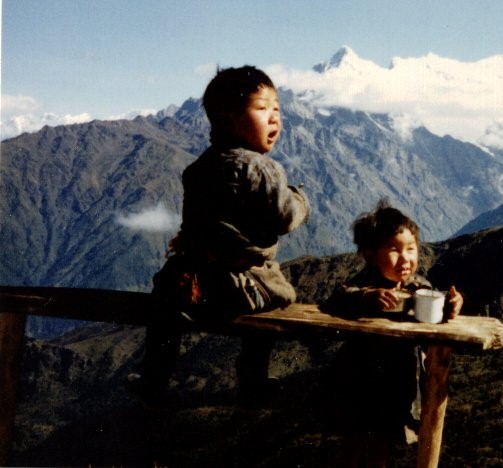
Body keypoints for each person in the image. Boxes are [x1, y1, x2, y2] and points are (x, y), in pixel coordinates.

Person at [127, 65, 309, 408]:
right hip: (244, 286)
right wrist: (299, 198)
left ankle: (154, 378)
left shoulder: (199, 168)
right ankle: (253, 378)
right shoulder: (262, 169)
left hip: (192, 284)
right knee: (276, 299)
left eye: (277, 109)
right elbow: (285, 217)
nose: (274, 118)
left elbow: (195, 223)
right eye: (262, 108)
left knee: (164, 312)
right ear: (229, 118)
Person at [321, 199, 463, 467]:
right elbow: (338, 297)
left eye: (411, 249)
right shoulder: (365, 284)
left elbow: (438, 308)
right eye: (394, 250)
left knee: (380, 447)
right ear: (370, 254)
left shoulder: (419, 287)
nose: (405, 258)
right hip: (359, 382)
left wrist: (452, 305)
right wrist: (366, 297)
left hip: (399, 384)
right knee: (353, 444)